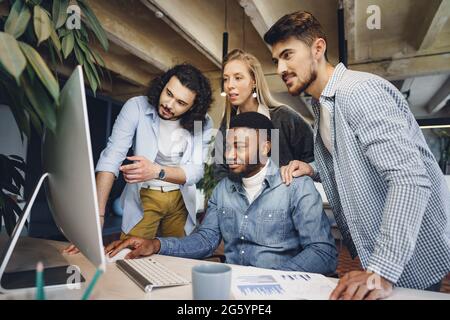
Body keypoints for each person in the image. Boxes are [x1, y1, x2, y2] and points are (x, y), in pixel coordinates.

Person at [264, 11, 450, 299]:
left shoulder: (358, 91)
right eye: (276, 60)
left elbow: (411, 179)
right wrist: (313, 169)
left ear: (318, 48)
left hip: (408, 259)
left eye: (288, 54)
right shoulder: (323, 105)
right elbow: (355, 160)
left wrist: (382, 271)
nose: (280, 68)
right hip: (379, 255)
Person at [106, 112, 338, 275]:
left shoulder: (297, 187)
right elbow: (205, 240)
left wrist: (271, 280)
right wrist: (155, 244)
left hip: (280, 291)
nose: (229, 155)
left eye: (240, 146)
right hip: (233, 291)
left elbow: (323, 252)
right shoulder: (223, 189)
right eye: (227, 146)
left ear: (266, 147)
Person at [64, 64, 213, 254]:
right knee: (129, 255)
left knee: (178, 258)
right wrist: (98, 216)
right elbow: (112, 156)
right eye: (168, 93)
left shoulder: (203, 122)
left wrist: (156, 171)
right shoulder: (136, 106)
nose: (169, 104)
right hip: (144, 196)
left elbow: (196, 170)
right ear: (163, 85)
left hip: (180, 200)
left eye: (181, 103)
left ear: (193, 108)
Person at [213, 48, 314, 182]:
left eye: (238, 78)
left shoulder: (284, 117)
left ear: (254, 81)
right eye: (226, 79)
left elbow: (313, 160)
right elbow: (219, 170)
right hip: (242, 201)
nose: (230, 85)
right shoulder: (227, 124)